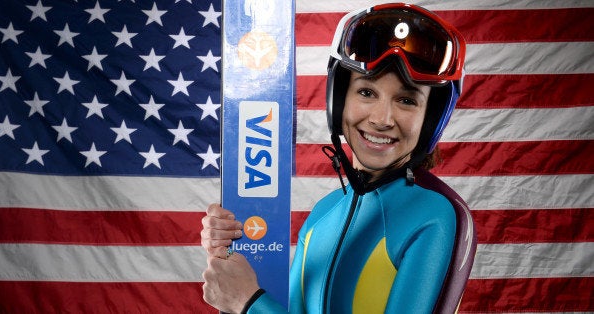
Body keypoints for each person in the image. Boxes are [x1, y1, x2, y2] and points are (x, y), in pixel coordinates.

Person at [201, 3, 477, 313]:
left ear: (430, 119)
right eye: (367, 93)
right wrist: (231, 265)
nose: (382, 118)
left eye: (406, 99)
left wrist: (247, 302)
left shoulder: (434, 216)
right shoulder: (323, 213)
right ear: (339, 100)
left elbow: (256, 307)